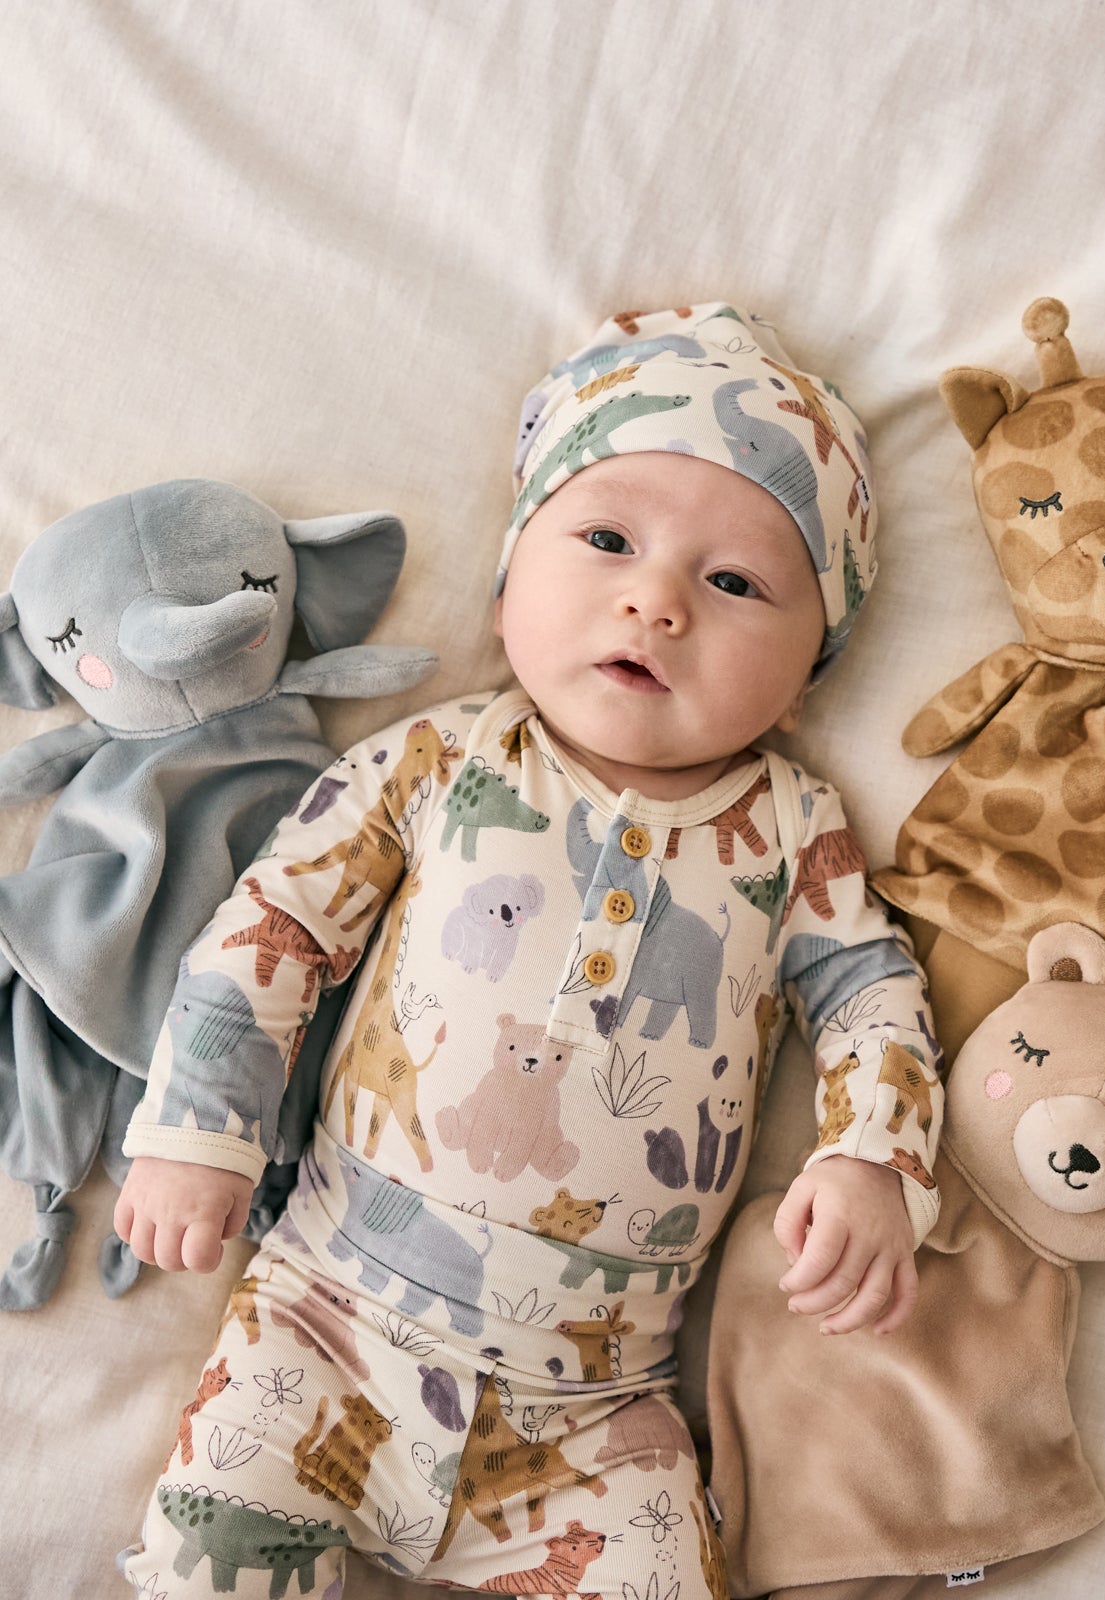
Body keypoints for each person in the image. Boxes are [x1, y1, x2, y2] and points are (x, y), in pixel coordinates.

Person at [114, 302, 943, 1598]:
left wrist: (875, 1156)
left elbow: (873, 998)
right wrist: (197, 1130)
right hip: (324, 1321)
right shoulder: (440, 760)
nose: (656, 600)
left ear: (806, 677)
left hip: (599, 1411)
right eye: (607, 540)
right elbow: (276, 923)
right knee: (203, 1555)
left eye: (735, 583)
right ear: (507, 590)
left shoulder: (795, 834)